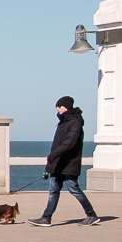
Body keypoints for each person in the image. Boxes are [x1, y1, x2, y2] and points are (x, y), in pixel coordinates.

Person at [30, 97, 100, 227]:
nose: (58, 109)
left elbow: (69, 143)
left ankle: (91, 215)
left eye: (61, 106)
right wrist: (51, 161)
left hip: (69, 163)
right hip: (57, 164)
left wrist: (54, 154)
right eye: (57, 107)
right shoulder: (63, 121)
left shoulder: (75, 123)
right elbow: (58, 143)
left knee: (74, 189)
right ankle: (46, 218)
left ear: (68, 107)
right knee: (53, 191)